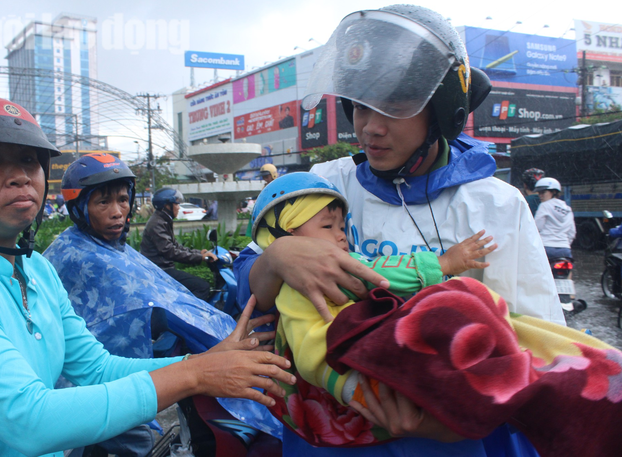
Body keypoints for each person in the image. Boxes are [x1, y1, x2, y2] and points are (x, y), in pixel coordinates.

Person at [235, 5, 564, 456]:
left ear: (443, 110)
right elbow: (253, 293)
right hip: (332, 434)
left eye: (395, 107)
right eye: (361, 107)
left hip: (450, 432)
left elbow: (535, 337)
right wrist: (275, 258)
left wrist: (447, 416)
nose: (371, 128)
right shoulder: (328, 183)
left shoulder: (493, 203)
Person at [0, 96, 295, 457]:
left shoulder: (37, 269)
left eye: (29, 160)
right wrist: (195, 375)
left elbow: (97, 367)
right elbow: (28, 419)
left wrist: (200, 361)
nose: (19, 176)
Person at [251, 173, 622, 456]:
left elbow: (381, 270)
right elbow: (310, 346)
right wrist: (355, 391)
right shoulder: (299, 279)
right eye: (327, 227)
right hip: (367, 378)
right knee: (464, 303)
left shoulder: (498, 198)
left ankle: (584, 365)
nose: (341, 237)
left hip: (418, 391)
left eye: (341, 227)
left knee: (480, 306)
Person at [44, 153, 284, 454]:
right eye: (103, 202)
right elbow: (169, 304)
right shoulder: (84, 256)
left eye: (122, 199)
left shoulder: (104, 244)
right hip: (88, 396)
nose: (118, 212)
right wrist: (219, 339)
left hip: (112, 374)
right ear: (79, 207)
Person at [140, 187, 218, 300]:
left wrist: (199, 253)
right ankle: (190, 316)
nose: (178, 207)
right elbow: (170, 251)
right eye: (176, 204)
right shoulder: (157, 223)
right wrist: (200, 257)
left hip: (161, 268)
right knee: (202, 287)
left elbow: (175, 246)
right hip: (159, 270)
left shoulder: (163, 220)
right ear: (167, 206)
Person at [534, 177, 576, 260]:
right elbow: (572, 232)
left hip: (546, 248)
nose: (540, 195)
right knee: (568, 271)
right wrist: (564, 243)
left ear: (554, 192)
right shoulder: (567, 209)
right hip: (564, 249)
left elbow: (537, 227)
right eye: (539, 193)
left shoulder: (544, 205)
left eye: (543, 192)